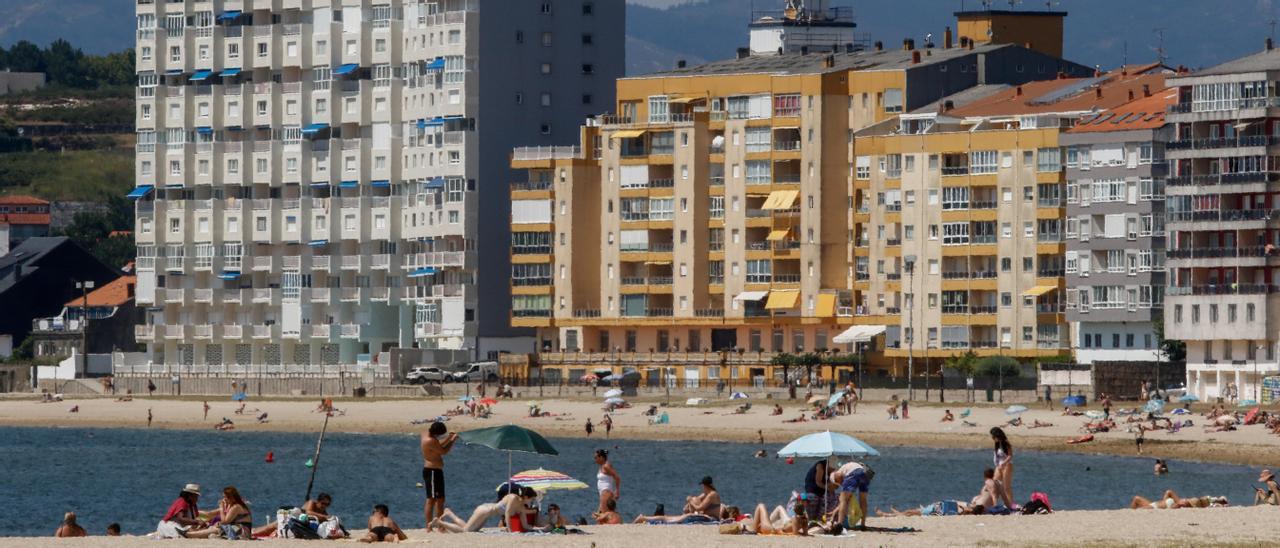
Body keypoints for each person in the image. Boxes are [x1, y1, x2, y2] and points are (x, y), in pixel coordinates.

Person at [430, 487, 538, 533]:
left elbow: (526, 523)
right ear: (526, 497)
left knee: (470, 530)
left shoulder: (521, 506)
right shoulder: (513, 498)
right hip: (484, 510)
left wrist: (544, 528)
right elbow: (507, 514)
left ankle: (449, 513)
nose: (531, 502)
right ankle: (439, 522)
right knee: (465, 531)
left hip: (487, 514)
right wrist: (509, 530)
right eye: (532, 499)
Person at [421, 421, 458, 530]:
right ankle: (429, 526)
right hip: (431, 471)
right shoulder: (429, 440)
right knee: (431, 499)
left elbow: (437, 446)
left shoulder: (428, 435)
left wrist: (448, 438)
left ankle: (441, 526)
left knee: (441, 499)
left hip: (436, 471)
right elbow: (443, 451)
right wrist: (452, 440)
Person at [829, 462, 873, 531]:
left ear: (835, 476)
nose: (840, 483)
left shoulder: (840, 472)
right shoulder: (847, 467)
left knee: (843, 499)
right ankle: (863, 524)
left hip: (853, 473)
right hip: (865, 474)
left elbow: (845, 501)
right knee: (863, 500)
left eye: (837, 481)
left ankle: (839, 524)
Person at [990, 427, 1014, 504]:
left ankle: (1010, 504)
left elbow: (1010, 455)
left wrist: (1004, 463)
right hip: (999, 465)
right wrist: (998, 465)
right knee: (994, 484)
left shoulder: (1006, 443)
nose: (992, 438)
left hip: (1007, 464)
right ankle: (993, 503)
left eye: (993, 436)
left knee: (1006, 487)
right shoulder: (997, 444)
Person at [595, 449, 621, 513]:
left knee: (602, 513)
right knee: (601, 513)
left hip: (606, 491)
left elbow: (617, 477)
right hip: (602, 492)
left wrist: (617, 491)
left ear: (601, 457)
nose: (595, 459)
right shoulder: (602, 466)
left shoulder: (606, 466)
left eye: (596, 457)